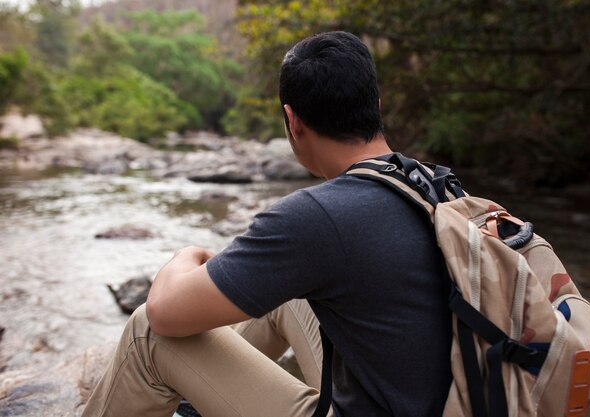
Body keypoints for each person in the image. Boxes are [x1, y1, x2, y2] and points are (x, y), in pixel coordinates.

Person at [82, 31, 452, 417]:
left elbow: (163, 313)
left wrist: (187, 255)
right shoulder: (438, 186)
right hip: (451, 402)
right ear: (376, 106)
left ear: (292, 121)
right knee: (288, 292)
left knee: (148, 332)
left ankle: (190, 395)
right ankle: (199, 404)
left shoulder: (318, 215)